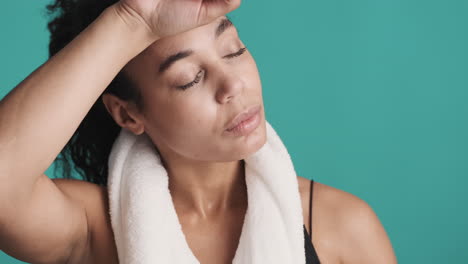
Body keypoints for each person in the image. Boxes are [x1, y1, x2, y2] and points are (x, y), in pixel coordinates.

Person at [0, 0, 398, 263]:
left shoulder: (344, 225)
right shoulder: (94, 229)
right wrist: (131, 20)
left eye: (234, 50)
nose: (233, 85)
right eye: (190, 78)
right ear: (127, 114)